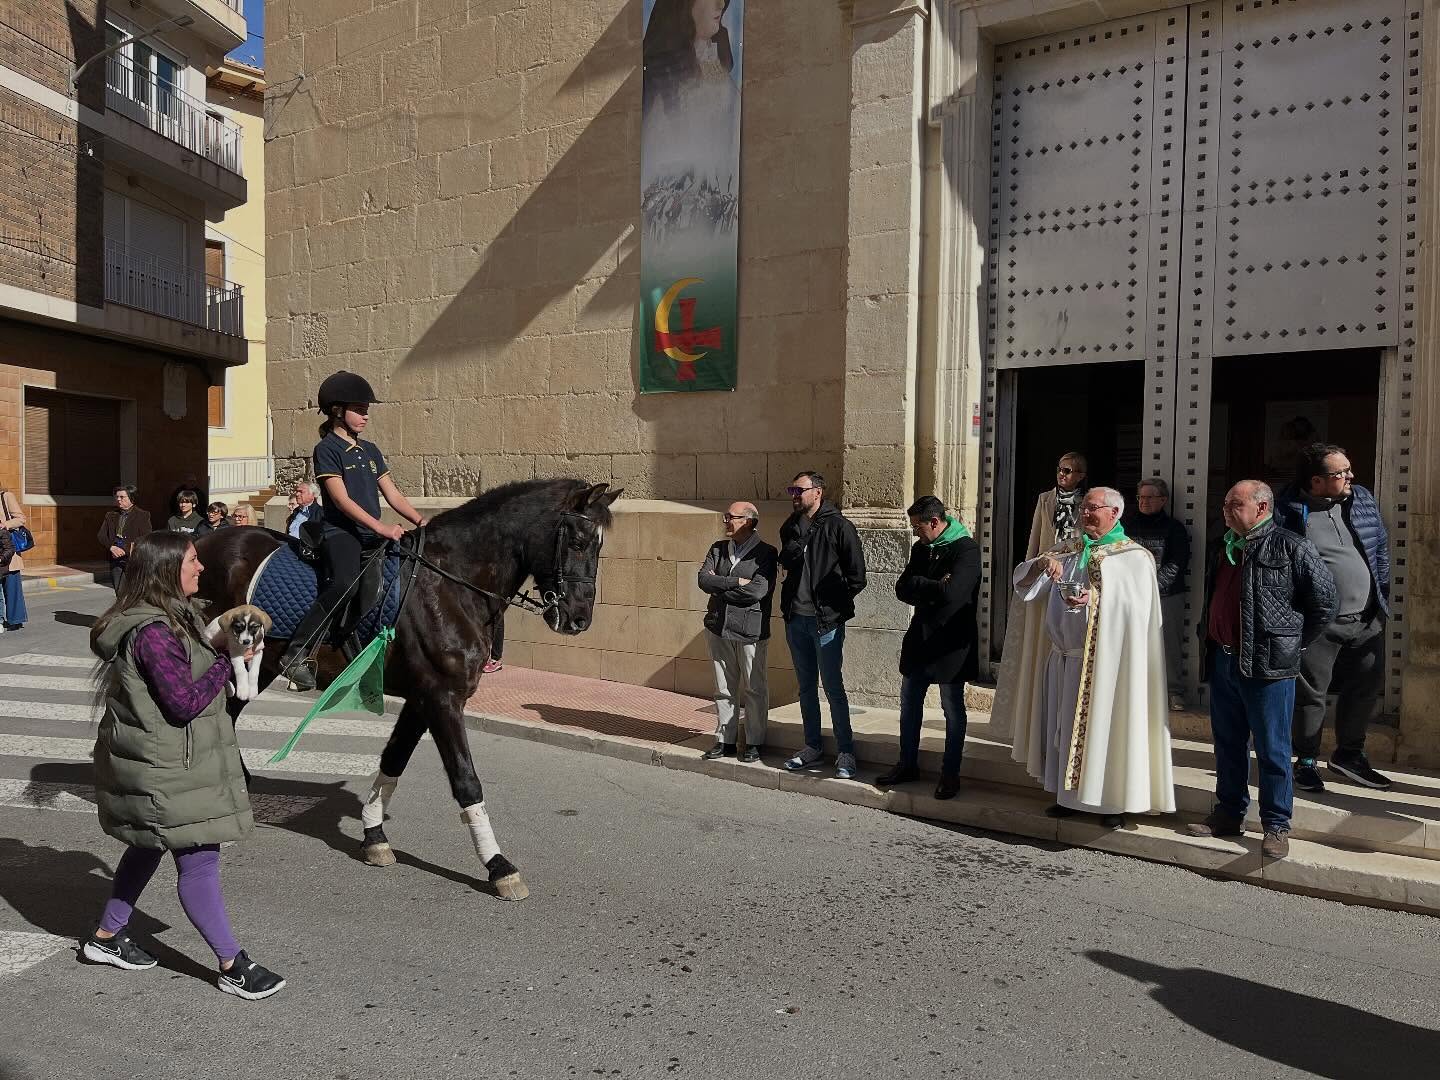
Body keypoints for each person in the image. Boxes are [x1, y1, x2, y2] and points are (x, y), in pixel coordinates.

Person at [84, 530, 285, 999]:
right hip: (167, 765)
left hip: (168, 760)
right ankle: (233, 964)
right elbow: (183, 702)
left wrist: (221, 648)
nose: (201, 567)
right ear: (165, 570)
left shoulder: (173, 617)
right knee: (198, 858)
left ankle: (106, 938)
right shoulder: (153, 631)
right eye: (193, 560)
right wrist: (226, 659)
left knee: (149, 845)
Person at [999, 487, 1175, 827]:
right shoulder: (1069, 548)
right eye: (1084, 507)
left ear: (1114, 514)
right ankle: (1068, 797)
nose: (1085, 513)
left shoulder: (1134, 558)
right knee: (1063, 729)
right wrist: (1041, 563)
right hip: (1065, 658)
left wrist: (1094, 601)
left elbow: (1139, 614)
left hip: (1108, 666)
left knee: (1109, 730)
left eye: (1093, 508)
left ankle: (1111, 804)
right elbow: (1024, 584)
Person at [1188, 481, 1336, 861]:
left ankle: (1276, 824)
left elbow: (1324, 603)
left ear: (1262, 506)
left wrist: (1293, 642)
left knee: (1272, 749)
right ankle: (1227, 814)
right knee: (1227, 744)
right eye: (1224, 504)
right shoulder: (1225, 548)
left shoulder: (1291, 546)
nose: (1226, 510)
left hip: (1268, 665)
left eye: (1234, 504)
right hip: (1224, 660)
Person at [276, 371, 426, 691]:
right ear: (337, 412)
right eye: (359, 409)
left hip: (370, 534)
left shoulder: (369, 450)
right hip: (340, 532)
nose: (365, 416)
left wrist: (421, 521)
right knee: (344, 582)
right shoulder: (327, 449)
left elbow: (393, 493)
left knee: (371, 593)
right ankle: (295, 654)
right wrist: (381, 526)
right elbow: (341, 500)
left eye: (366, 410)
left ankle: (342, 647)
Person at [1276, 444, 1393, 791]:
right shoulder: (1288, 512)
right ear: (1316, 481)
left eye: (1348, 470)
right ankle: (1305, 761)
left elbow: (1380, 547)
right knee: (1311, 694)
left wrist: (1380, 594)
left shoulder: (1361, 499)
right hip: (1319, 622)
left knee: (1365, 687)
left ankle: (1349, 755)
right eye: (1341, 473)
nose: (1350, 477)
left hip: (1368, 617)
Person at [876, 496, 982, 800]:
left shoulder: (967, 549)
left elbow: (955, 594)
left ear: (934, 522)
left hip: (952, 642)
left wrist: (924, 587)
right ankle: (907, 764)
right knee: (909, 705)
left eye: (918, 527)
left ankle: (950, 774)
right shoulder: (922, 548)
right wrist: (935, 585)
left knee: (952, 708)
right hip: (921, 638)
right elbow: (901, 588)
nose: (915, 534)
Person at [777, 471, 867, 779]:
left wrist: (833, 604)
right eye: (792, 489)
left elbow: (857, 576)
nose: (794, 494)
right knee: (805, 688)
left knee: (832, 686)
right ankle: (812, 746)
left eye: (799, 489)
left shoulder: (840, 527)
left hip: (824, 622)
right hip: (796, 620)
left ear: (817, 492)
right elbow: (787, 562)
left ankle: (845, 752)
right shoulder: (790, 526)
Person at [697, 501, 777, 763]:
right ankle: (725, 739)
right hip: (718, 626)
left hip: (750, 630)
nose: (726, 521)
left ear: (750, 522)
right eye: (725, 516)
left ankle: (753, 742)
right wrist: (733, 582)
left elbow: (756, 591)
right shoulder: (718, 549)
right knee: (723, 687)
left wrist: (719, 587)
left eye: (731, 517)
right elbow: (703, 580)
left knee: (754, 688)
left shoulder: (766, 553)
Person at [1123, 478, 1192, 711]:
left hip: (1167, 595)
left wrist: (1153, 587)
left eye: (1150, 497)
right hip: (1132, 595)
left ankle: (1174, 692)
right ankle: (1134, 691)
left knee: (1169, 644)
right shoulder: (1126, 526)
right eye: (1141, 497)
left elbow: (1176, 564)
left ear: (1163, 500)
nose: (1144, 501)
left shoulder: (1175, 529)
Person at [97, 485, 153, 593]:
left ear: (131, 498)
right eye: (117, 497)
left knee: (133, 591)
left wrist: (124, 549)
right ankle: (122, 609)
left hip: (133, 559)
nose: (118, 499)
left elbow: (145, 538)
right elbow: (101, 535)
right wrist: (112, 547)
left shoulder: (143, 515)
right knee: (119, 590)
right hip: (115, 558)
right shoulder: (110, 515)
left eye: (122, 497)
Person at [0, 486, 28, 631]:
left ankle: (15, 619)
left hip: (8, 551)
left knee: (12, 588)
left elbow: (21, 519)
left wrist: (5, 524)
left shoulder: (6, 496)